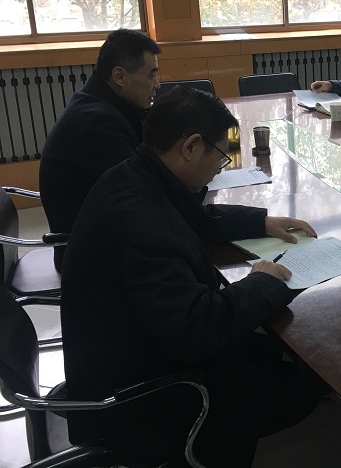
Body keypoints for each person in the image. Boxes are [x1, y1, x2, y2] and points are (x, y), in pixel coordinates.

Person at [61, 87, 322, 468]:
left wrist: (261, 222)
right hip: (142, 397)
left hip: (129, 350)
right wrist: (262, 282)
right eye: (221, 155)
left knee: (272, 350)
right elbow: (199, 329)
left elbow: (190, 219)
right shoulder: (145, 228)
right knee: (306, 382)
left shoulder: (135, 175)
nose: (222, 166)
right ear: (191, 146)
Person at [39, 28, 162, 271]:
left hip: (101, 235)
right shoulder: (97, 123)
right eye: (151, 75)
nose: (157, 85)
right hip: (91, 258)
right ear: (120, 76)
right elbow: (144, 192)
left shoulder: (99, 102)